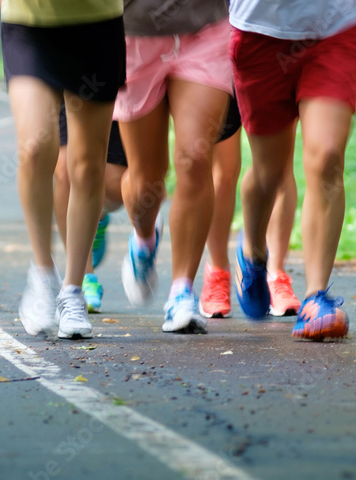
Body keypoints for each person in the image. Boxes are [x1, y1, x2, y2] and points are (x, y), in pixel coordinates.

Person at [231, 0, 356, 341]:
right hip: (258, 32)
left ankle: (315, 298)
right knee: (268, 173)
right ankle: (254, 253)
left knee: (328, 157)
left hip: (334, 28)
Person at [0, 0, 125, 339]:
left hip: (96, 25)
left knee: (85, 166)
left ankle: (73, 290)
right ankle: (42, 272)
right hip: (28, 24)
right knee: (34, 147)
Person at [117, 0, 233, 334]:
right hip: (134, 33)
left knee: (195, 158)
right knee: (146, 178)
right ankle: (143, 238)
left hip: (206, 28)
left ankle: (182, 292)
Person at [198, 96, 301, 319]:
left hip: (271, 63)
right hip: (221, 66)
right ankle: (217, 272)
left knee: (280, 168)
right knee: (223, 172)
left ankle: (276, 273)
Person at [53, 106, 127, 313]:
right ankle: (82, 277)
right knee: (64, 170)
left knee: (114, 188)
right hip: (66, 83)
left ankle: (97, 214)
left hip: (114, 84)